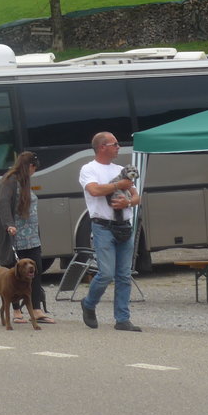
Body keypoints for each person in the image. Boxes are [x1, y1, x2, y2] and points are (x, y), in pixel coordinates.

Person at [79, 131, 142, 331]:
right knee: (106, 273)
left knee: (124, 275)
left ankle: (122, 319)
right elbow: (94, 191)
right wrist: (118, 185)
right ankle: (88, 303)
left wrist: (128, 201)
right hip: (103, 226)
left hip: (125, 225)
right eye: (114, 144)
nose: (118, 147)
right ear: (102, 147)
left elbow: (136, 196)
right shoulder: (88, 169)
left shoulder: (121, 169)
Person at [0, 151, 53, 323]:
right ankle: (16, 311)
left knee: (34, 271)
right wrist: (9, 224)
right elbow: (4, 203)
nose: (35, 171)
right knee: (15, 274)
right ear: (29, 166)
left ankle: (36, 310)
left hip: (32, 236)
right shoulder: (10, 180)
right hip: (16, 234)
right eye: (34, 168)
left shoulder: (26, 181)